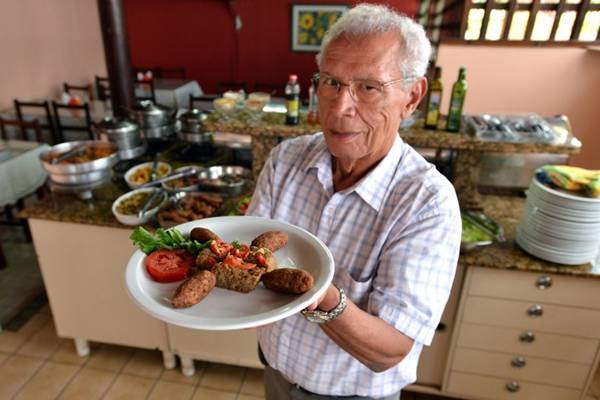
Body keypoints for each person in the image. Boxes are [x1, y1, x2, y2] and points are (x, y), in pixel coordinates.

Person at [247, 4, 461, 399]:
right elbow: (250, 257)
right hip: (276, 372)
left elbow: (390, 350)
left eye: (368, 87)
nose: (341, 107)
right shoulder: (286, 160)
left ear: (411, 97)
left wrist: (317, 295)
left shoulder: (427, 202)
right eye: (331, 82)